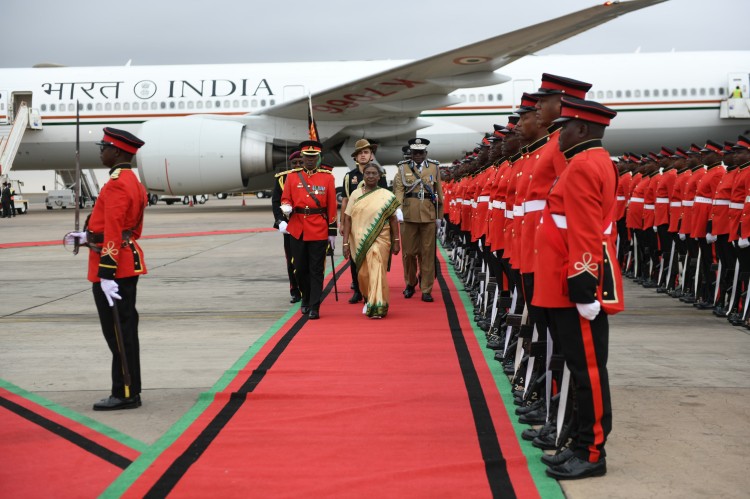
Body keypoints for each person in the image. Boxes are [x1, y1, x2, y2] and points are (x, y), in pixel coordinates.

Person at [533, 97, 623, 479]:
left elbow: (586, 232)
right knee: (580, 368)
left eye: (564, 127)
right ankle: (580, 442)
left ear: (582, 130)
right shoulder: (585, 162)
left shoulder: (585, 165)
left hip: (576, 287)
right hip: (567, 282)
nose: (559, 133)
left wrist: (584, 288)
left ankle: (591, 452)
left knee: (587, 370)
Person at [63, 127, 148, 411]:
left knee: (119, 334)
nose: (102, 151)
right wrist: (87, 237)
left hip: (114, 268)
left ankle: (125, 393)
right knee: (123, 331)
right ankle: (128, 389)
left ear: (119, 152)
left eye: (105, 147)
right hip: (124, 260)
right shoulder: (131, 180)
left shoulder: (117, 184)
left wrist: (107, 273)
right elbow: (130, 228)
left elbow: (114, 229)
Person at [280, 140, 337, 320]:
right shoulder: (292, 177)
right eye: (307, 156)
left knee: (316, 269)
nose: (310, 160)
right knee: (300, 268)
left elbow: (332, 205)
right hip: (297, 227)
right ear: (302, 157)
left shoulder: (327, 177)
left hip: (318, 227)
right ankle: (305, 298)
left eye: (313, 157)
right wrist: (286, 207)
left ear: (318, 158)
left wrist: (332, 231)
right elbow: (285, 198)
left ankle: (314, 305)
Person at [342, 163, 401, 318]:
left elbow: (393, 219)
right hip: (359, 241)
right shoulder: (355, 195)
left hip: (381, 239)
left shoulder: (386, 195)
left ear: (379, 176)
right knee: (363, 274)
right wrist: (346, 243)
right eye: (367, 173)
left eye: (374, 173)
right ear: (363, 175)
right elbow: (347, 219)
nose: (370, 176)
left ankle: (379, 305)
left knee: (377, 269)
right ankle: (369, 298)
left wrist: (396, 240)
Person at [392, 138, 444, 302]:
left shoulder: (434, 167)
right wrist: (397, 208)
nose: (418, 155)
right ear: (411, 154)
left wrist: (439, 216)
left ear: (426, 153)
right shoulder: (402, 168)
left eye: (421, 152)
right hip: (409, 215)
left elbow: (439, 192)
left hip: (428, 215)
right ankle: (410, 282)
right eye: (415, 153)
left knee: (427, 253)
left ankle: (426, 288)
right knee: (408, 253)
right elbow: (399, 190)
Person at [340, 139, 388, 304]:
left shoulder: (379, 174)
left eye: (366, 152)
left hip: (374, 222)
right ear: (355, 157)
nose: (363, 155)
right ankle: (357, 289)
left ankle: (373, 288)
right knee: (355, 257)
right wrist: (342, 223)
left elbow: (384, 199)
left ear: (371, 156)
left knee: (373, 256)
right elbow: (346, 201)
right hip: (355, 223)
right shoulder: (349, 177)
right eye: (360, 153)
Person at [272, 150, 304, 303]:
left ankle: (309, 289)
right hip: (289, 226)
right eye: (294, 163)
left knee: (308, 260)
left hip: (309, 224)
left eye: (300, 162)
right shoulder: (282, 179)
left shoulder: (314, 177)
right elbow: (276, 202)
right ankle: (295, 290)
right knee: (292, 260)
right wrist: (280, 222)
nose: (297, 165)